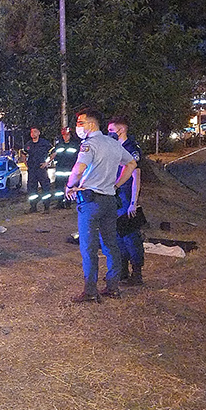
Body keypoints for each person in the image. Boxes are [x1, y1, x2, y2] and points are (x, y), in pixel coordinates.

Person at [65, 108, 137, 303]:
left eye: (80, 123)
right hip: (109, 201)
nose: (78, 127)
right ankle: (113, 287)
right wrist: (117, 185)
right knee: (111, 245)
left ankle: (90, 291)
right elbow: (131, 164)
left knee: (89, 247)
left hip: (91, 202)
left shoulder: (89, 145)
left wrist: (70, 186)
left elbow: (78, 169)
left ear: (91, 124)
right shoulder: (113, 144)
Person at [108, 116, 144, 286]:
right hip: (115, 195)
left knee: (130, 236)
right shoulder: (114, 148)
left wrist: (133, 202)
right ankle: (122, 271)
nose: (109, 133)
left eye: (111, 130)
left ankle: (136, 273)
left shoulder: (131, 149)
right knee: (117, 235)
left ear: (121, 130)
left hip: (126, 196)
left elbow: (136, 176)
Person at [50, 127, 82, 208]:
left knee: (70, 187)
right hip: (60, 170)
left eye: (67, 135)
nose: (65, 137)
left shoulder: (75, 145)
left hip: (70, 170)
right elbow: (54, 155)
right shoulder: (59, 145)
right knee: (59, 188)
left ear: (70, 135)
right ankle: (59, 203)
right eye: (64, 135)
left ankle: (68, 203)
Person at [24, 125, 53, 213]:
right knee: (32, 189)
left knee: (45, 188)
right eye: (32, 132)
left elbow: (53, 153)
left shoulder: (44, 143)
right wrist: (26, 163)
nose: (33, 134)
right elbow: (23, 153)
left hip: (41, 169)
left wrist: (46, 163)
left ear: (39, 133)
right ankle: (33, 207)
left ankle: (46, 207)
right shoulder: (28, 144)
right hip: (32, 170)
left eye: (35, 132)